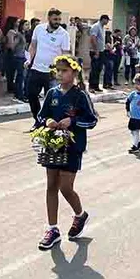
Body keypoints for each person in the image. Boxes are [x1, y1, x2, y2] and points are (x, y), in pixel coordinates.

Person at [36, 55, 98, 250]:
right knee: (51, 186)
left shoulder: (80, 96)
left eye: (64, 71)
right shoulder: (52, 94)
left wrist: (73, 122)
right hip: (53, 145)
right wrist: (47, 122)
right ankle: (52, 229)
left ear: (74, 72)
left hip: (73, 147)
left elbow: (92, 120)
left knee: (65, 187)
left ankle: (80, 215)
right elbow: (41, 115)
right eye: (58, 70)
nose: (60, 74)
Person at [26, 9, 71, 128]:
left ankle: (50, 124)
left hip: (53, 73)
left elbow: (65, 53)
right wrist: (29, 60)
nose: (58, 22)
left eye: (59, 19)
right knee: (31, 94)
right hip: (36, 68)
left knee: (52, 100)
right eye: (55, 19)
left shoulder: (64, 34)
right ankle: (37, 120)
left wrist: (63, 70)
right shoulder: (39, 29)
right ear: (49, 18)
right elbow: (33, 45)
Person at [6, 18, 28, 104]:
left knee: (21, 76)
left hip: (22, 57)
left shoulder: (23, 34)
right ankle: (18, 95)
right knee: (20, 77)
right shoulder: (18, 35)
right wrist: (16, 52)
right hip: (18, 58)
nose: (28, 26)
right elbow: (13, 45)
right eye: (26, 24)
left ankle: (19, 94)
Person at [88, 14, 110, 93]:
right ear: (103, 19)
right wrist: (96, 51)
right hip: (95, 51)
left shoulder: (102, 27)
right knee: (94, 69)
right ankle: (91, 86)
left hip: (101, 51)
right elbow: (93, 39)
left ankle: (96, 85)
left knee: (99, 69)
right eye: (107, 20)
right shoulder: (96, 26)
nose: (107, 22)